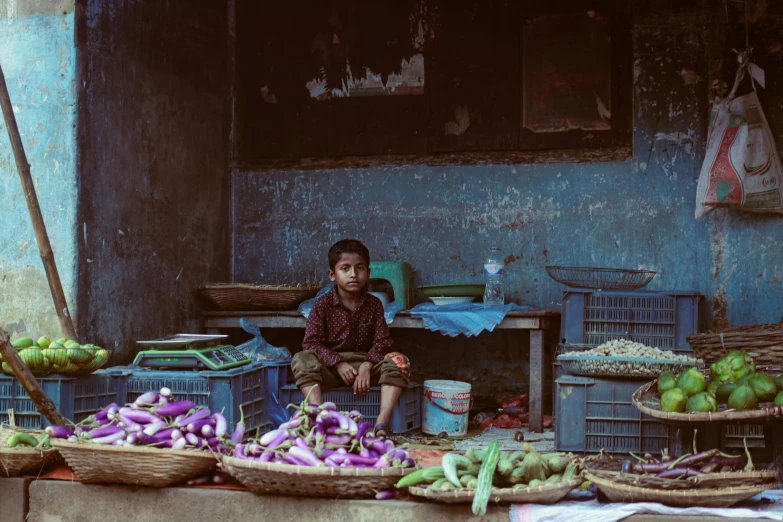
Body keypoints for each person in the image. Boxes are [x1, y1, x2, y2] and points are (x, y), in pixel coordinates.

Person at [291, 239, 410, 439]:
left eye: (360, 268)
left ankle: (382, 423)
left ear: (368, 273)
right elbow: (311, 343)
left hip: (367, 367)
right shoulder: (322, 305)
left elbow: (383, 342)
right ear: (332, 274)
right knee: (302, 358)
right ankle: (321, 418)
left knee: (400, 361)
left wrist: (366, 365)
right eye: (345, 268)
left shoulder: (374, 304)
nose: (353, 275)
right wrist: (337, 363)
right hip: (331, 369)